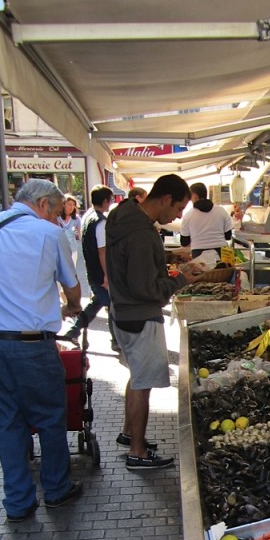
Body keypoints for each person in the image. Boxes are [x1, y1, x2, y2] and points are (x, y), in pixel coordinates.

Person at [0, 178, 83, 520]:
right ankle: (57, 490)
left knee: (7, 425)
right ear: (44, 204)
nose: (59, 219)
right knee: (49, 419)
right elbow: (72, 287)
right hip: (31, 345)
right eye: (58, 212)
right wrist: (72, 306)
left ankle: (18, 502)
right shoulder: (48, 234)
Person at [106, 173, 209, 470]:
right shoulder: (140, 233)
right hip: (140, 315)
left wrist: (167, 260)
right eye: (178, 209)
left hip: (122, 311)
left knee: (137, 377)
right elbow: (145, 288)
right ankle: (137, 452)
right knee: (143, 383)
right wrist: (180, 280)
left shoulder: (124, 218)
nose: (178, 215)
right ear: (165, 199)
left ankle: (129, 434)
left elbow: (136, 267)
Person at [62, 185, 118, 351]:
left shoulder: (88, 216)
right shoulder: (100, 221)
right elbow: (102, 251)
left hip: (92, 268)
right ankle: (114, 340)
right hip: (99, 271)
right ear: (106, 201)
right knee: (108, 304)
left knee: (101, 303)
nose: (111, 203)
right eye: (111, 200)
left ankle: (75, 331)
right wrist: (107, 275)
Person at [179, 182, 233, 267]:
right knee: (223, 276)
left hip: (198, 254)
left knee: (201, 277)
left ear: (195, 196)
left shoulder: (188, 216)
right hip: (221, 253)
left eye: (190, 197)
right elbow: (228, 236)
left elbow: (184, 242)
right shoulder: (221, 211)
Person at [58, 194, 84, 291]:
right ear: (63, 205)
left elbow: (79, 234)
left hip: (72, 249)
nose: (71, 207)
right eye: (69, 204)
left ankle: (68, 292)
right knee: (60, 271)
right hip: (60, 249)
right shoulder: (57, 218)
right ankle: (61, 293)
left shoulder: (76, 219)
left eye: (73, 205)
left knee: (70, 271)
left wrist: (77, 235)